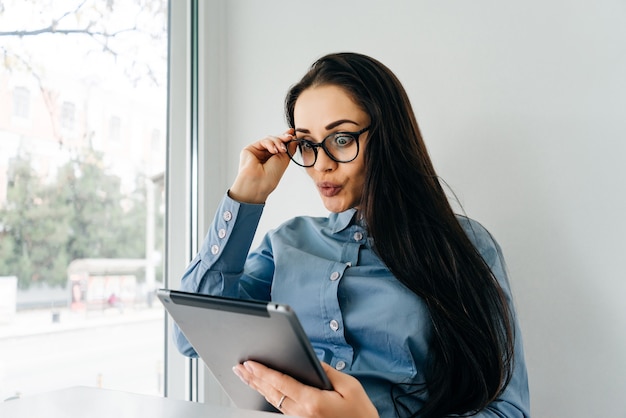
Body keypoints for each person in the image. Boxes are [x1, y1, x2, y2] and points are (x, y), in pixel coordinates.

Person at [174, 52, 530, 417]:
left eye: (341, 139)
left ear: (386, 137)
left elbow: (507, 410)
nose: (322, 163)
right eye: (309, 145)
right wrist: (245, 196)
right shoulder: (286, 244)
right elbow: (189, 338)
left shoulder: (465, 247)